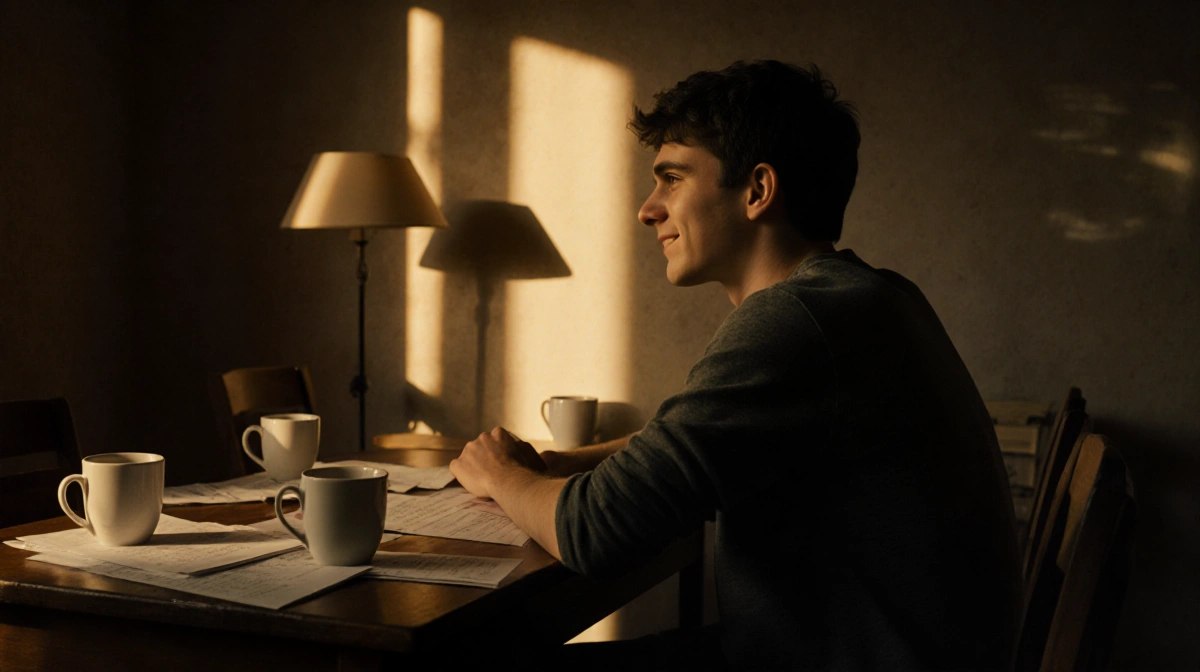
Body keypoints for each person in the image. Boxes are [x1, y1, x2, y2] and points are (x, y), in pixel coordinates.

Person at [449, 60, 1023, 671]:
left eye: (671, 178)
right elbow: (688, 446)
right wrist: (565, 462)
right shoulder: (867, 296)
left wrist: (504, 475)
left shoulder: (795, 320)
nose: (648, 210)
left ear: (757, 190)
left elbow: (595, 532)